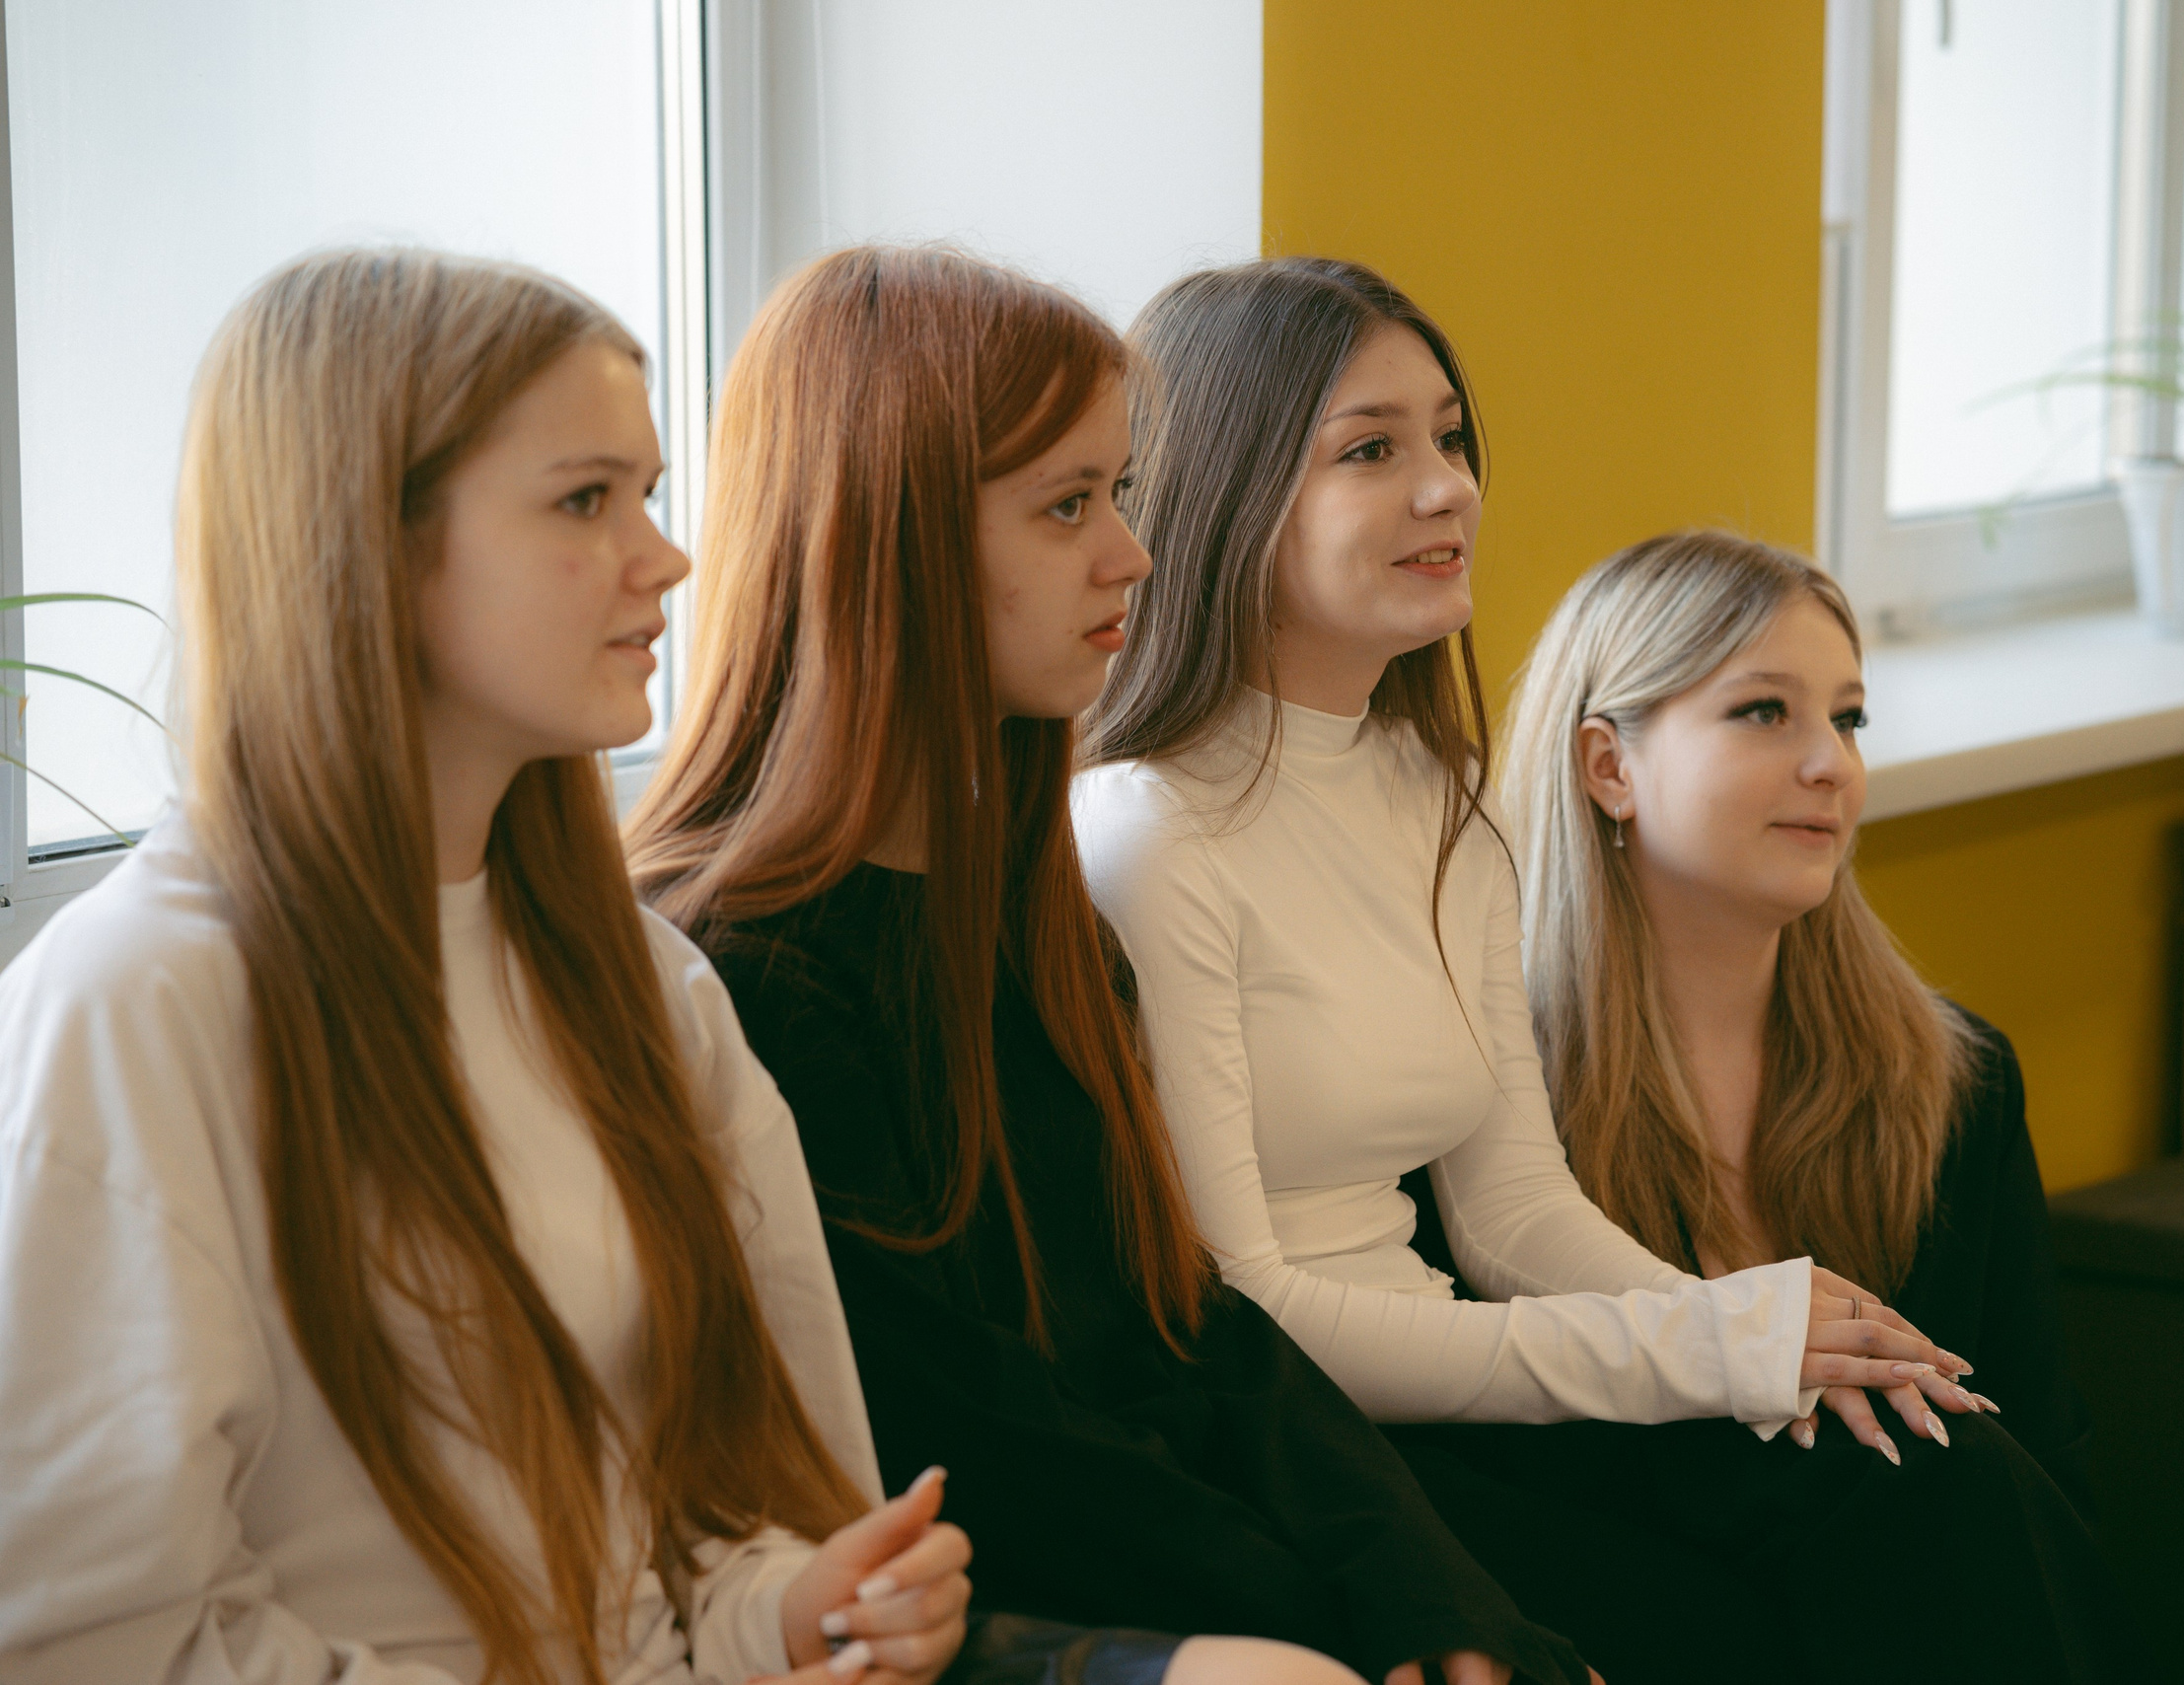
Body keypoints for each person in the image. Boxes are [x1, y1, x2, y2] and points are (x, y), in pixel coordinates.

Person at [1074, 257, 2133, 1679]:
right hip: (1317, 1450)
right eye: (1372, 450)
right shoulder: (1148, 832)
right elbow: (1245, 1305)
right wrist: (1697, 1352)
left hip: (1475, 1394)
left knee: (1937, 1463)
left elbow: (1514, 1212)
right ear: (1229, 488)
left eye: (1449, 439)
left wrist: (1738, 1339)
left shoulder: (1428, 792)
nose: (1449, 487)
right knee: (1787, 1588)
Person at [0, 250, 972, 1685]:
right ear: (366, 546)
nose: (668, 557)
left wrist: (800, 1606)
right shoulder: (138, 1007)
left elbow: (687, 1532)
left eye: (646, 491)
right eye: (587, 499)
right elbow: (89, 1639)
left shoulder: (642, 990)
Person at [623, 246, 1582, 1685]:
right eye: (1070, 506)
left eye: (1120, 494)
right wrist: (1325, 1628)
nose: (1131, 553)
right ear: (893, 541)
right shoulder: (743, 974)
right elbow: (978, 1444)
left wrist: (1437, 1608)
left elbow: (1188, 1325)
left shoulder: (1026, 907)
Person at [1501, 527, 2097, 1518]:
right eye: (1765, 711)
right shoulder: (1490, 1099)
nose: (1831, 763)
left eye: (1850, 718)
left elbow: (2043, 1463)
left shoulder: (1958, 1081)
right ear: (1608, 766)